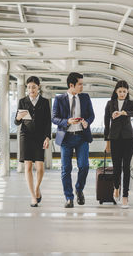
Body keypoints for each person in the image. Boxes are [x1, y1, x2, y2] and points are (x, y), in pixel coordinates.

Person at [52, 72, 95, 208]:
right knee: (66, 169)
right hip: (66, 138)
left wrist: (87, 122)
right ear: (71, 85)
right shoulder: (59, 99)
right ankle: (69, 198)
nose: (82, 86)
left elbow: (91, 115)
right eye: (80, 84)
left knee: (84, 166)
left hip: (82, 137)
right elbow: (54, 118)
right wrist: (66, 121)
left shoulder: (85, 97)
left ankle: (79, 189)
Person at [15, 76, 51, 207]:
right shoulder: (22, 101)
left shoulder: (45, 102)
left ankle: (37, 189)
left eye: (34, 87)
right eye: (29, 87)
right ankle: (32, 196)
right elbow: (16, 121)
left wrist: (47, 137)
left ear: (38, 87)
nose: (31, 89)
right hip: (26, 135)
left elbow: (48, 122)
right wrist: (18, 117)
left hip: (40, 136)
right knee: (28, 166)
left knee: (40, 167)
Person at [104, 80, 133, 209]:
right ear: (116, 91)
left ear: (127, 92)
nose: (122, 93)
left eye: (124, 91)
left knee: (126, 167)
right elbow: (106, 125)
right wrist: (107, 142)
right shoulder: (110, 104)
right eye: (120, 91)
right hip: (114, 139)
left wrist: (125, 113)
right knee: (117, 167)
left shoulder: (130, 104)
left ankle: (125, 196)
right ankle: (116, 188)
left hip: (129, 139)